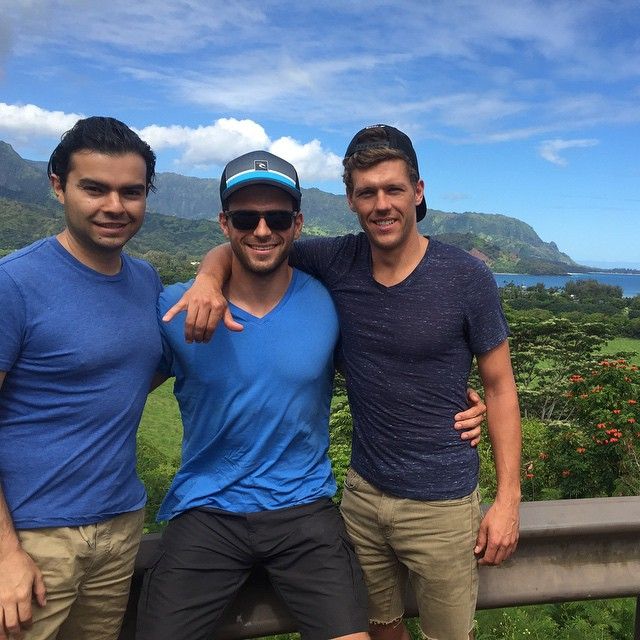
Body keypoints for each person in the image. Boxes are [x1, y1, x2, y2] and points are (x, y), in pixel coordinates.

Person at [167, 125, 521, 640]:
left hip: (442, 505)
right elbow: (253, 245)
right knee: (380, 629)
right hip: (361, 498)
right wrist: (207, 277)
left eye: (393, 189)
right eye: (367, 192)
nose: (382, 204)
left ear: (418, 191)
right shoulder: (336, 260)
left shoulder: (466, 276)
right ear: (351, 201)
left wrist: (508, 501)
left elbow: (500, 387)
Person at [136, 151, 370, 640]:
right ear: (224, 223)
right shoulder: (177, 309)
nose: (262, 231)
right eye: (245, 218)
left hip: (304, 508)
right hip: (208, 510)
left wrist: (454, 396)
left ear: (297, 224)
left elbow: (383, 371)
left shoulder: (327, 302)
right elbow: (116, 393)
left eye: (277, 218)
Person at [0, 117, 162, 640]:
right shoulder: (14, 283)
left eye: (131, 192)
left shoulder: (145, 280)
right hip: (32, 536)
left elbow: (131, 377)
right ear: (58, 186)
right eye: (94, 188)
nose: (114, 206)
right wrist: (5, 554)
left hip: (120, 524)